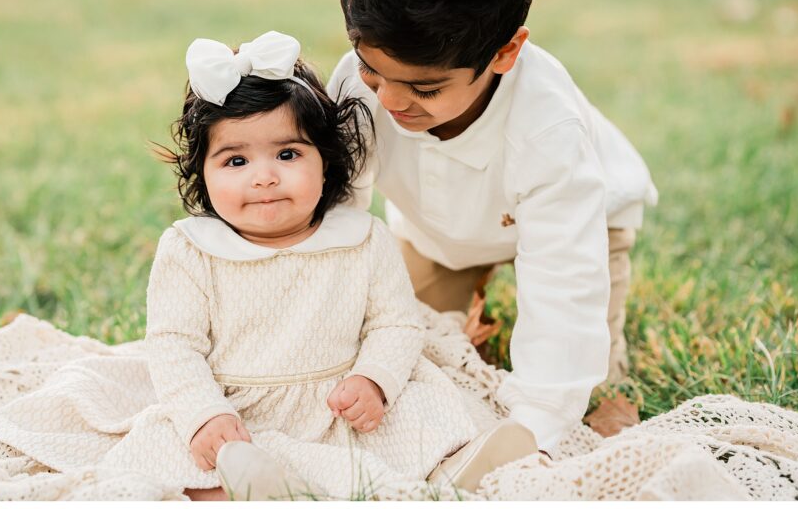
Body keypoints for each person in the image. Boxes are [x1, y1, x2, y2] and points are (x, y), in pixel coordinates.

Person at [327, 0, 658, 456]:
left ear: (505, 52)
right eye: (372, 67)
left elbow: (563, 285)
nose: (391, 99)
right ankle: (462, 295)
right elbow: (335, 226)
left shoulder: (546, 128)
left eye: (425, 89)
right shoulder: (359, 87)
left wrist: (535, 426)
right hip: (438, 231)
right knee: (402, 350)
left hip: (584, 223)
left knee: (586, 381)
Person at [143, 30, 537, 500]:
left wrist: (374, 379)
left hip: (345, 404)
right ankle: (250, 490)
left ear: (326, 164)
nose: (265, 176)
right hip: (238, 409)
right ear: (202, 175)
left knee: (430, 409)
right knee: (181, 457)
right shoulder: (192, 251)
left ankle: (454, 471)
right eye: (235, 160)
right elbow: (173, 348)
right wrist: (204, 414)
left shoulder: (361, 239)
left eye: (288, 154)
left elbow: (396, 325)